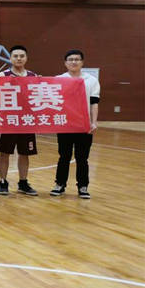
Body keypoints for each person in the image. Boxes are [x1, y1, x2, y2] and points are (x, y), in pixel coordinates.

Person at [51, 49, 100, 200]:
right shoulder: (58, 79)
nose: (74, 62)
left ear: (82, 62)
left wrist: (94, 122)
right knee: (64, 156)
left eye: (77, 59)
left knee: (82, 158)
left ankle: (83, 186)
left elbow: (94, 103)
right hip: (65, 124)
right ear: (65, 63)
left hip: (83, 125)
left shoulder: (91, 80)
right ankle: (60, 184)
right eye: (70, 59)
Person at [0, 45, 39, 196]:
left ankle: (23, 182)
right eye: (15, 56)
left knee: (24, 153)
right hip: (8, 120)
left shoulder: (33, 76)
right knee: (4, 153)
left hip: (26, 120)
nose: (19, 58)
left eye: (22, 56)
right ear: (10, 58)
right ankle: (3, 181)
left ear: (26, 58)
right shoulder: (2, 75)